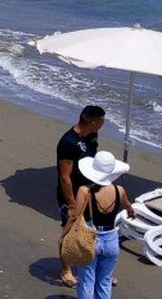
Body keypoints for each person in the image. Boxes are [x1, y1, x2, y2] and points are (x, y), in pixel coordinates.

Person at [61, 151, 134, 299]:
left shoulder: (85, 191)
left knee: (87, 281)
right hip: (111, 238)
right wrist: (131, 212)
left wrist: (63, 235)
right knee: (104, 282)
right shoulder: (119, 190)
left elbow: (75, 216)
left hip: (90, 238)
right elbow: (128, 206)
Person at [57, 105, 106, 287]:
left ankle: (93, 271)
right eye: (102, 121)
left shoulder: (92, 136)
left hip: (89, 191)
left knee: (91, 230)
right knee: (69, 230)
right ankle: (66, 270)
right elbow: (64, 176)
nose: (103, 124)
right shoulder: (68, 142)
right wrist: (71, 204)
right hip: (70, 194)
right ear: (94, 122)